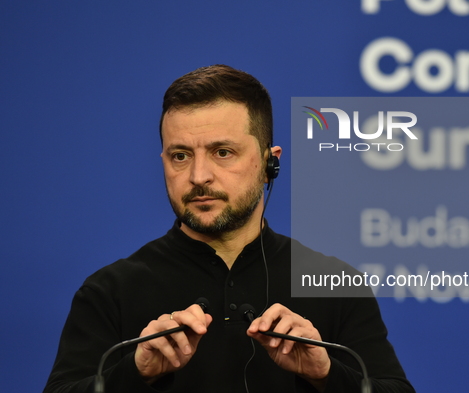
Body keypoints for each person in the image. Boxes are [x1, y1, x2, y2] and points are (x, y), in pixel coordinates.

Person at [43, 65, 415, 393]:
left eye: (223, 152)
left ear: (270, 163)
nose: (198, 176)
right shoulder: (109, 292)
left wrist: (327, 375)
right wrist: (135, 374)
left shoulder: (334, 284)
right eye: (180, 155)